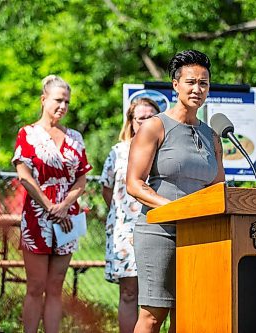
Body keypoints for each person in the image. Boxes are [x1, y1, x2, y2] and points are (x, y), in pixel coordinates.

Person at [126, 50, 225, 332]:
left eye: (204, 83)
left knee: (188, 314)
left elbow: (218, 188)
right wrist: (175, 209)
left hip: (200, 234)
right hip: (159, 231)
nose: (197, 89)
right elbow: (134, 184)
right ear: (175, 84)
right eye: (191, 82)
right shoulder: (154, 127)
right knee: (153, 315)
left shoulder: (212, 135)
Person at [12, 75, 92, 333]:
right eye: (58, 100)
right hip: (37, 215)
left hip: (68, 217)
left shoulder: (75, 137)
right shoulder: (28, 134)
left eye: (67, 102)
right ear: (43, 99)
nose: (63, 106)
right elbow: (24, 176)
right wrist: (49, 205)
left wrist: (65, 204)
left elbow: (82, 178)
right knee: (36, 287)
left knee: (56, 287)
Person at [99, 98, 159, 333]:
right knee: (129, 292)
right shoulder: (119, 151)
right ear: (131, 122)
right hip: (124, 231)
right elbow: (107, 188)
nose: (145, 122)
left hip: (157, 226)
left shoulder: (165, 148)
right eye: (140, 118)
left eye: (150, 117)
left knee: (156, 295)